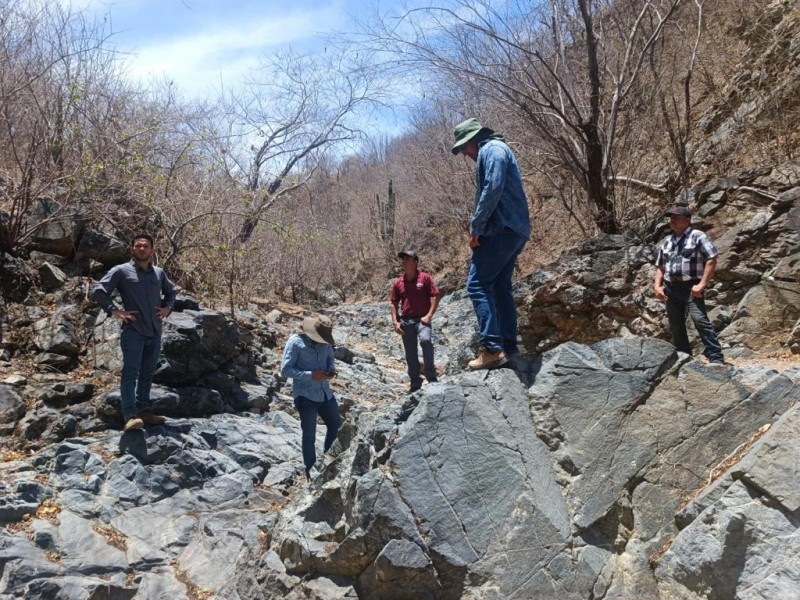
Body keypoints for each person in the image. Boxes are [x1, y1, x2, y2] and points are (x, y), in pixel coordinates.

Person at [452, 117, 531, 370]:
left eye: (465, 147)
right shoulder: (496, 149)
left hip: (501, 229)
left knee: (477, 285)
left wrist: (477, 227)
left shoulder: (492, 150)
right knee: (499, 286)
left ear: (474, 140)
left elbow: (492, 188)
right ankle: (509, 347)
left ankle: (491, 348)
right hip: (514, 230)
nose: (465, 153)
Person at [92, 234, 176, 431]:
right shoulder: (121, 271)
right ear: (132, 249)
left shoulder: (158, 273)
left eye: (145, 246)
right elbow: (98, 290)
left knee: (147, 374)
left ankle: (144, 411)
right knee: (130, 373)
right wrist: (114, 310)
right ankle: (130, 416)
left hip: (155, 330)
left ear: (152, 250)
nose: (141, 249)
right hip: (133, 330)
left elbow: (172, 292)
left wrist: (167, 308)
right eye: (137, 246)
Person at [654, 205, 725, 364]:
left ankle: (715, 356)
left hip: (691, 287)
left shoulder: (697, 236)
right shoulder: (667, 241)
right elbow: (661, 267)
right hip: (670, 288)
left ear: (687, 220)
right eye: (671, 218)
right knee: (675, 324)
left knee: (700, 320)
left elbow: (711, 260)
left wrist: (702, 284)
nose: (672, 221)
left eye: (676, 218)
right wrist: (657, 286)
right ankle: (683, 356)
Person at [280, 315, 342, 480]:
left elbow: (330, 359)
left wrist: (331, 370)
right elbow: (285, 369)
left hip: (325, 393)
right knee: (309, 436)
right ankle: (311, 471)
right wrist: (310, 375)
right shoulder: (296, 342)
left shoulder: (326, 344)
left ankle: (328, 463)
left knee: (336, 426)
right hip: (305, 395)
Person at [390, 250, 440, 392]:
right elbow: (393, 302)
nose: (404, 261)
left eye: (407, 258)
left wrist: (429, 315)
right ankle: (415, 382)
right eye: (403, 259)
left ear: (415, 262)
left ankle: (431, 376)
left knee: (426, 340)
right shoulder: (399, 282)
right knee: (410, 352)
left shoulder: (425, 278)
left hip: (422, 320)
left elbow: (436, 295)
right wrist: (395, 322)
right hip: (406, 322)